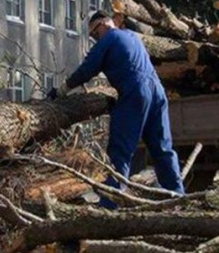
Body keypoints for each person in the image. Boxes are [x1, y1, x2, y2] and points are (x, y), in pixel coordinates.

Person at [48, 11, 185, 206]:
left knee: (120, 148)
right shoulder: (132, 37)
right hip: (158, 92)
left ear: (103, 24)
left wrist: (61, 91)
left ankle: (110, 204)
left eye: (95, 33)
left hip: (136, 92)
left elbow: (87, 69)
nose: (95, 39)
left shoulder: (110, 38)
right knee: (162, 148)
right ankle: (177, 196)